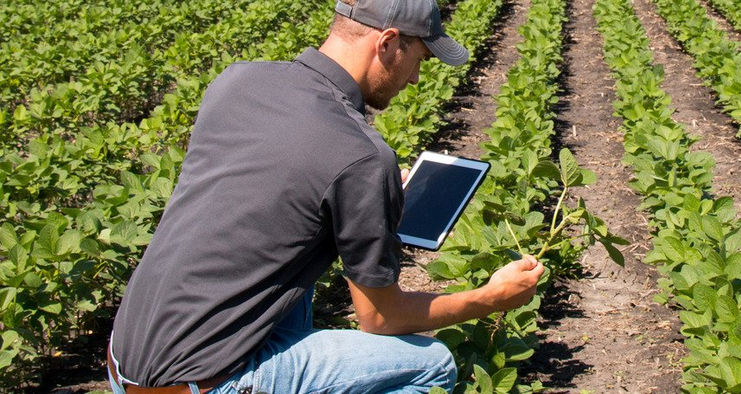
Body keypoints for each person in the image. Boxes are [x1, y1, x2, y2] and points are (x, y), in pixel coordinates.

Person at [105, 0, 545, 392]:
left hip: (124, 359)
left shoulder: (237, 81)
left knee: (297, 282)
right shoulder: (362, 157)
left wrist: (369, 196)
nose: (414, 78)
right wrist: (490, 298)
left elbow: (276, 189)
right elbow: (380, 318)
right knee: (431, 365)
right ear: (388, 43)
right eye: (419, 60)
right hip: (205, 382)